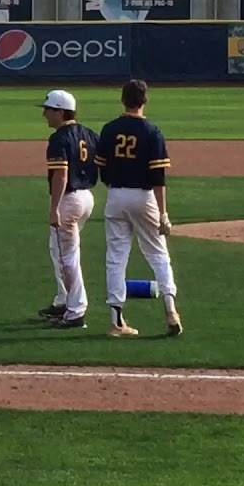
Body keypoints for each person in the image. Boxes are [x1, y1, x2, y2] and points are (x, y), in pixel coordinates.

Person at [93, 79, 182, 338]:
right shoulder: (152, 131)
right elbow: (158, 178)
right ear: (144, 101)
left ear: (123, 100)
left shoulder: (109, 129)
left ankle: (116, 321)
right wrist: (163, 214)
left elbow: (102, 170)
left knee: (116, 258)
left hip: (116, 195)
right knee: (158, 255)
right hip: (143, 198)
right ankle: (171, 310)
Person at [37, 90, 100, 329]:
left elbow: (61, 174)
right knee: (59, 250)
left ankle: (76, 312)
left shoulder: (59, 138)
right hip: (87, 198)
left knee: (67, 258)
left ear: (60, 111)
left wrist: (54, 208)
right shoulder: (89, 134)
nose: (45, 114)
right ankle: (63, 300)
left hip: (69, 200)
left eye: (48, 110)